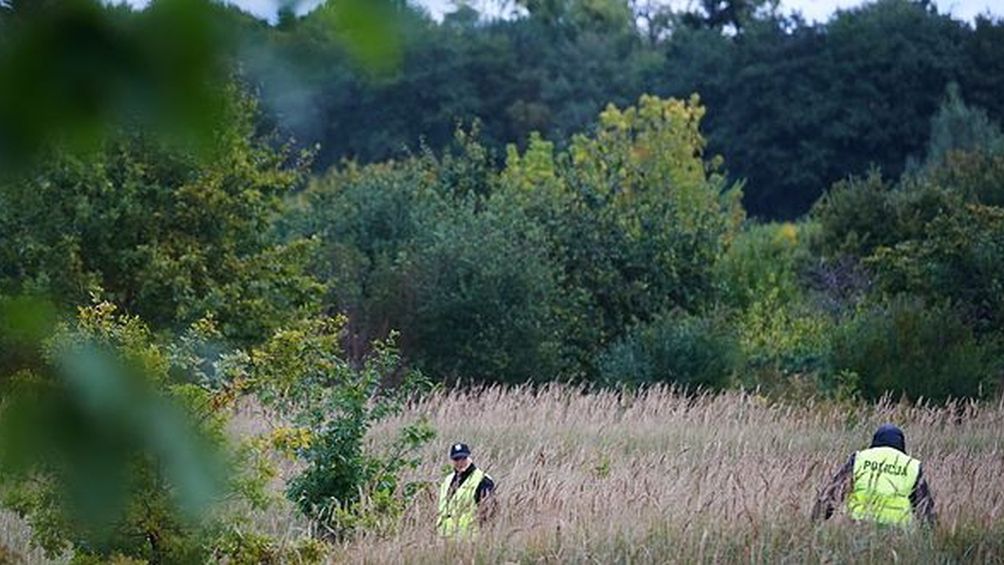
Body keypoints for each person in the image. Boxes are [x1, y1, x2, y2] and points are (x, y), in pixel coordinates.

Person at [812, 424, 935, 526]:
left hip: (859, 526)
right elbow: (925, 509)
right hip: (896, 531)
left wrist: (814, 522)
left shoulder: (860, 459)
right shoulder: (911, 466)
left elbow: (832, 494)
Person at [437, 442, 495, 538]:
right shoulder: (447, 480)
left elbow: (489, 511)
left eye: (463, 458)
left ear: (468, 458)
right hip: (444, 538)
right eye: (456, 459)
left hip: (469, 539)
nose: (460, 462)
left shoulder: (482, 479)